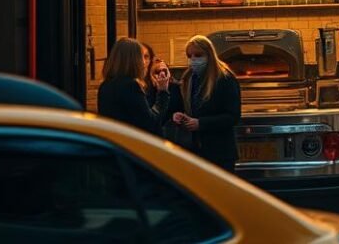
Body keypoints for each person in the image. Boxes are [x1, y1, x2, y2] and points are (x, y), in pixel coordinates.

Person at [167, 35, 241, 172]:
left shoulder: (225, 78)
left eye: (198, 55)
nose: (193, 60)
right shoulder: (189, 77)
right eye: (189, 56)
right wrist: (179, 115)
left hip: (219, 153)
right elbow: (185, 106)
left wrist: (201, 123)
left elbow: (233, 116)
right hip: (195, 150)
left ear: (209, 54)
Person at [97, 37, 170, 135]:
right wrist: (163, 91)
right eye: (141, 57)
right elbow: (150, 122)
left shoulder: (105, 85)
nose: (144, 62)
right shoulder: (131, 86)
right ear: (135, 60)